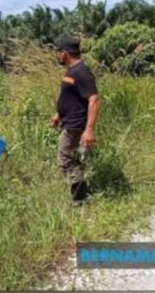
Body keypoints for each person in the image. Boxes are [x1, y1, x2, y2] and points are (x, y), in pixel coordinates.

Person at [49, 36, 101, 204]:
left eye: (58, 53)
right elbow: (72, 97)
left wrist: (90, 129)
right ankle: (82, 193)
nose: (57, 56)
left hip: (75, 124)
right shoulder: (72, 72)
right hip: (68, 121)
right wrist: (59, 114)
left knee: (65, 161)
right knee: (71, 159)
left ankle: (80, 198)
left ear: (64, 53)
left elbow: (94, 99)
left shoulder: (81, 72)